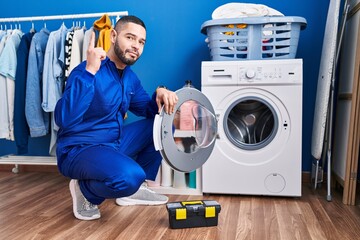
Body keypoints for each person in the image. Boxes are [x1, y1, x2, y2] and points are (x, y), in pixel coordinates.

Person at [54, 15, 178, 221]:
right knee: (130, 176)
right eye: (130, 37)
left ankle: (136, 190)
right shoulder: (85, 71)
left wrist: (160, 92)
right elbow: (63, 119)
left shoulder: (130, 78)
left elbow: (149, 111)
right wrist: (90, 72)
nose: (136, 46)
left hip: (112, 144)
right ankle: (85, 191)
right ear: (113, 36)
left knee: (162, 127)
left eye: (141, 42)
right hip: (79, 150)